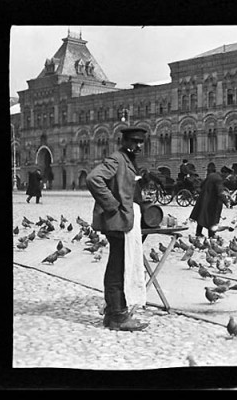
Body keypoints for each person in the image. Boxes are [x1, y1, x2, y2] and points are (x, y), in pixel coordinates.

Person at [86, 126, 150, 332]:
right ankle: (118, 317)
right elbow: (93, 179)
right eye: (134, 141)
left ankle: (114, 313)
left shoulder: (128, 160)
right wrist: (112, 205)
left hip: (124, 222)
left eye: (141, 142)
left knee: (120, 266)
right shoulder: (116, 159)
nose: (138, 146)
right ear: (124, 141)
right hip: (117, 223)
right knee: (118, 269)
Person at [189, 162, 230, 238]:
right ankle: (211, 234)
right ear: (225, 173)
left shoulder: (211, 175)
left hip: (203, 199)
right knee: (213, 218)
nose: (227, 177)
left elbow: (202, 185)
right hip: (212, 202)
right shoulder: (219, 179)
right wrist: (226, 202)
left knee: (201, 215)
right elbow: (220, 192)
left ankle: (198, 232)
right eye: (227, 175)